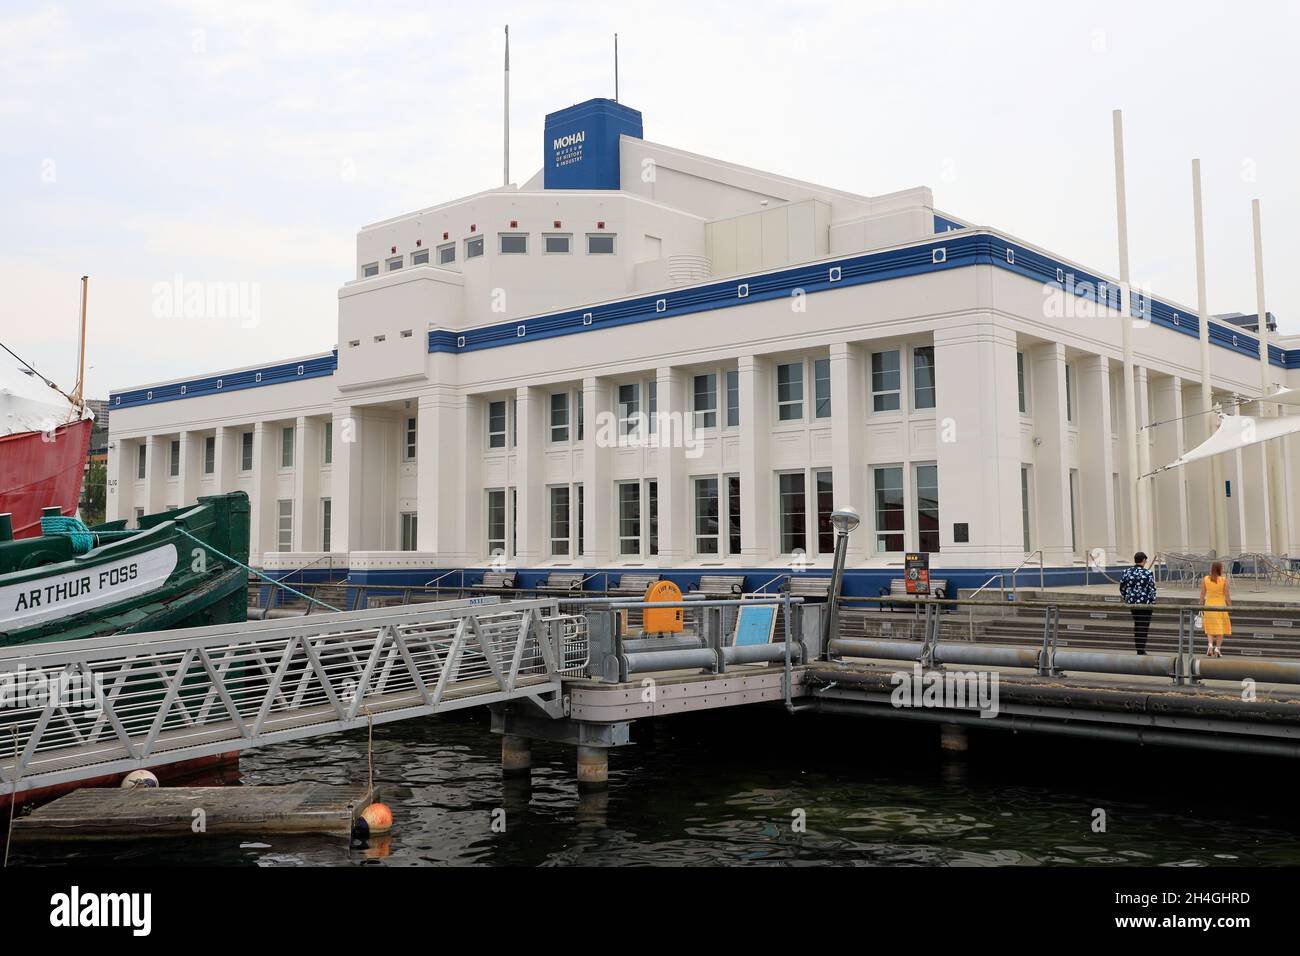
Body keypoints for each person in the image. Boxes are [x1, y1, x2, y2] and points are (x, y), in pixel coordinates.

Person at [1119, 551, 1157, 655]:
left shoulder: (1127, 572)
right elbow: (1152, 589)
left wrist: (1127, 597)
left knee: (1137, 624)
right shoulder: (1147, 573)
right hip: (1145, 603)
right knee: (1144, 625)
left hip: (1132, 603)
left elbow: (1122, 587)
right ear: (1144, 560)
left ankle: (1138, 648)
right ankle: (1141, 649)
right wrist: (1153, 602)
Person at [1200, 561, 1232, 658]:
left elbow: (1202, 594)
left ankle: (1210, 645)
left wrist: (1201, 605)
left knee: (1210, 628)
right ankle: (1217, 648)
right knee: (1220, 629)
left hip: (1208, 606)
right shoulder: (1224, 580)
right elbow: (1226, 595)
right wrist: (1230, 606)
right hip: (1220, 606)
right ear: (1220, 569)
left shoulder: (1205, 579)